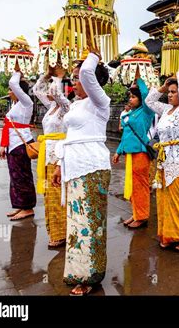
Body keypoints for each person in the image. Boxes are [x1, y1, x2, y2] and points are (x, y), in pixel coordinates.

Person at [52, 50, 111, 296]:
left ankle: (90, 276)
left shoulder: (101, 102)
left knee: (90, 223)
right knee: (76, 224)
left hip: (93, 167)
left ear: (92, 82)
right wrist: (58, 164)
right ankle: (77, 272)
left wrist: (93, 54)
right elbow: (69, 136)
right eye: (73, 78)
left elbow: (88, 71)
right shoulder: (76, 104)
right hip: (73, 166)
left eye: (77, 78)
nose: (74, 82)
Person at [145, 72, 179, 252]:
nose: (170, 94)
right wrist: (163, 85)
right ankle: (169, 234)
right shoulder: (166, 110)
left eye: (173, 92)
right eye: (169, 92)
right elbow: (149, 102)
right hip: (165, 159)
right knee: (165, 199)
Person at [32, 66, 70, 247]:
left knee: (58, 194)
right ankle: (53, 230)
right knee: (49, 195)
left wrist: (58, 76)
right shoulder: (51, 108)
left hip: (59, 154)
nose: (48, 92)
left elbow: (55, 90)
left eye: (52, 90)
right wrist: (47, 75)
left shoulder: (66, 107)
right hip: (46, 154)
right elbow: (36, 90)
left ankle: (61, 232)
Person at [112, 70, 155, 229]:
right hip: (129, 154)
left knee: (140, 185)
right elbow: (126, 136)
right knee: (132, 185)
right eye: (129, 96)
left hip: (141, 153)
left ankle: (142, 216)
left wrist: (139, 78)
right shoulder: (128, 115)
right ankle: (136, 213)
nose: (130, 99)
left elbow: (146, 95)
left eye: (133, 96)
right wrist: (118, 151)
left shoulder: (146, 111)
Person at [0, 68, 36, 221]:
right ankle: (21, 205)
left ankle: (28, 208)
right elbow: (8, 127)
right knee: (15, 177)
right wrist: (3, 145)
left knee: (22, 176)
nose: (9, 91)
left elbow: (13, 82)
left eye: (11, 90)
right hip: (12, 145)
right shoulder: (15, 105)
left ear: (19, 90)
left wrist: (17, 71)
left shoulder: (26, 102)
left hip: (21, 144)